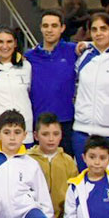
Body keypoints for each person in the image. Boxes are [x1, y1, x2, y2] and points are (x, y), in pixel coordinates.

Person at [72, 12, 109, 166]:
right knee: (83, 181)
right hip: (82, 131)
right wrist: (85, 45)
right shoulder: (83, 56)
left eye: (103, 29)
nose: (98, 33)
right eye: (94, 29)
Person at [25, 9, 77, 155]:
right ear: (41, 28)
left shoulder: (73, 51)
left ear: (62, 28)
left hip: (65, 121)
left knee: (64, 169)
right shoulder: (29, 56)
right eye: (46, 26)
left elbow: (98, 46)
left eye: (54, 26)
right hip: (38, 121)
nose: (49, 30)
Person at [0, 27, 32, 154]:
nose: (5, 46)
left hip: (23, 131)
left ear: (15, 43)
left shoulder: (26, 66)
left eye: (9, 42)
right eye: (0, 42)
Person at [27, 112, 78, 218]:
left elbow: (75, 193)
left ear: (61, 135)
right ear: (36, 136)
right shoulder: (27, 159)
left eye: (55, 134)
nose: (51, 139)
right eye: (45, 134)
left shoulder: (68, 161)